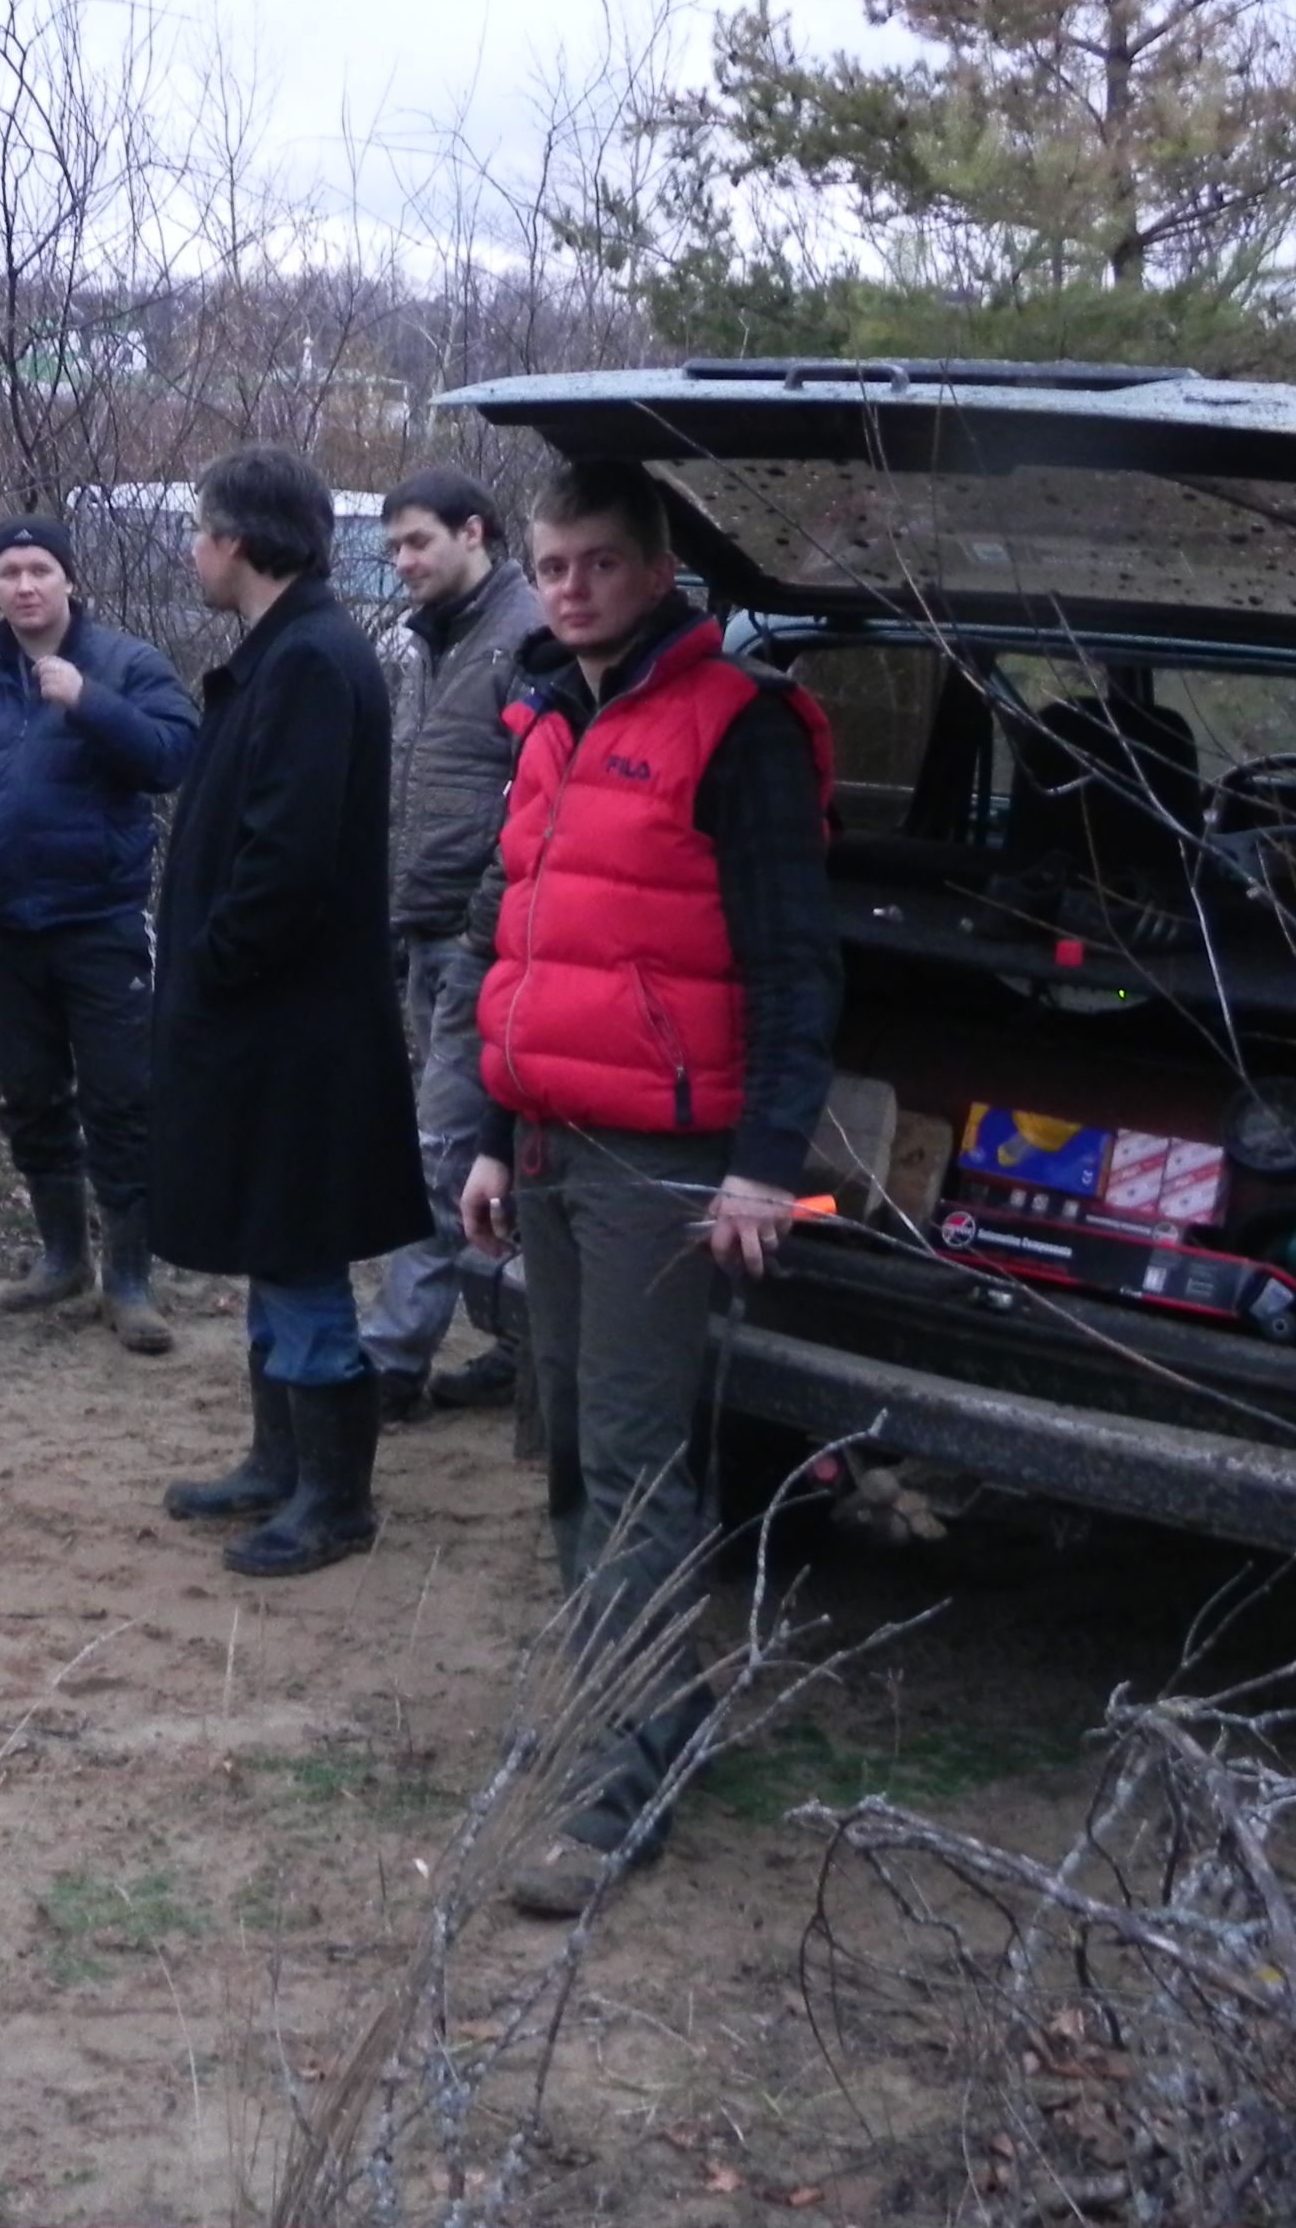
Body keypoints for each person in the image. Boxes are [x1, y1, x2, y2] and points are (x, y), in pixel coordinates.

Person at [454, 458, 839, 1911]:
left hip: (662, 1165)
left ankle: (627, 1787)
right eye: (552, 565)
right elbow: (528, 948)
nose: (570, 590)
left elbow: (795, 968)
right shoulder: (551, 715)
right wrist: (493, 1133)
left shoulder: (735, 726)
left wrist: (761, 1170)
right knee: (566, 1447)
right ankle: (633, 1709)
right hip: (550, 1142)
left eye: (600, 563)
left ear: (658, 569)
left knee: (630, 1464)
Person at [150, 445, 432, 1577]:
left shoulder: (311, 658)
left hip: (291, 1029)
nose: (193, 549)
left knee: (300, 1246)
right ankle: (278, 1465)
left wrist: (212, 965)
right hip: (270, 1022)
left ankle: (335, 1500)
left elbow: (285, 859)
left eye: (201, 529)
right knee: (275, 1241)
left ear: (238, 540)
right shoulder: (288, 650)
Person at [0, 514, 199, 1357]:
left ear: (70, 579)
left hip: (100, 923)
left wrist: (89, 702)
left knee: (121, 1099)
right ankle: (62, 1258)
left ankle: (129, 1278)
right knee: (31, 1095)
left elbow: (174, 756)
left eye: (40, 569)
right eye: (10, 572)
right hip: (3, 927)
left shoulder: (126, 665)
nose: (26, 585)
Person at [365, 466, 545, 1421]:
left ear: (473, 532)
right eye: (393, 546)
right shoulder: (434, 641)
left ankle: (389, 1366)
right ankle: (521, 1340)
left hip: (486, 947)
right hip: (428, 932)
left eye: (417, 541)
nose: (401, 561)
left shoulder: (526, 637)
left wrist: (481, 926)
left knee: (440, 1155)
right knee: (483, 1151)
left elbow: (532, 812)